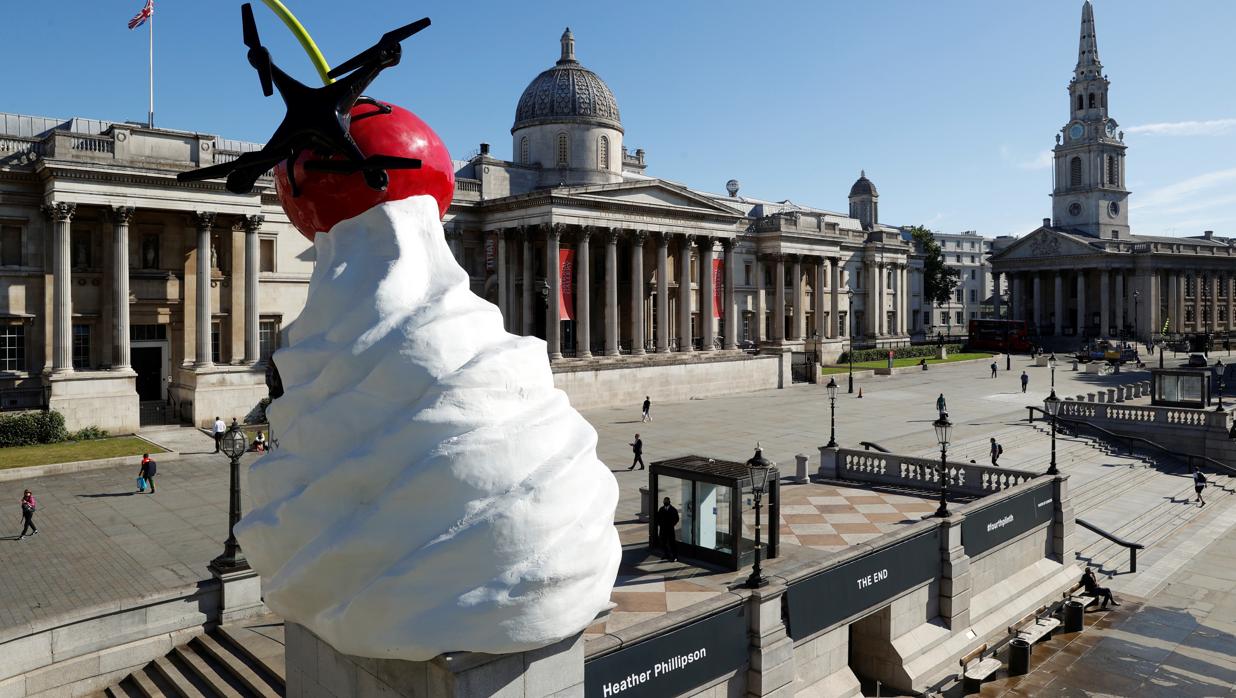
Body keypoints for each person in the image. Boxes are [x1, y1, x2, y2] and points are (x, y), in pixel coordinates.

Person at [655, 497, 679, 561]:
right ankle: (666, 554)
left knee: (672, 543)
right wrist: (660, 525)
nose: (665, 502)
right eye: (664, 501)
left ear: (669, 502)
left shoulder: (673, 510)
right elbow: (658, 518)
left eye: (666, 501)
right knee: (663, 542)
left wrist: (671, 525)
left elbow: (676, 519)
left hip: (670, 530)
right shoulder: (661, 509)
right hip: (663, 529)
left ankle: (674, 556)